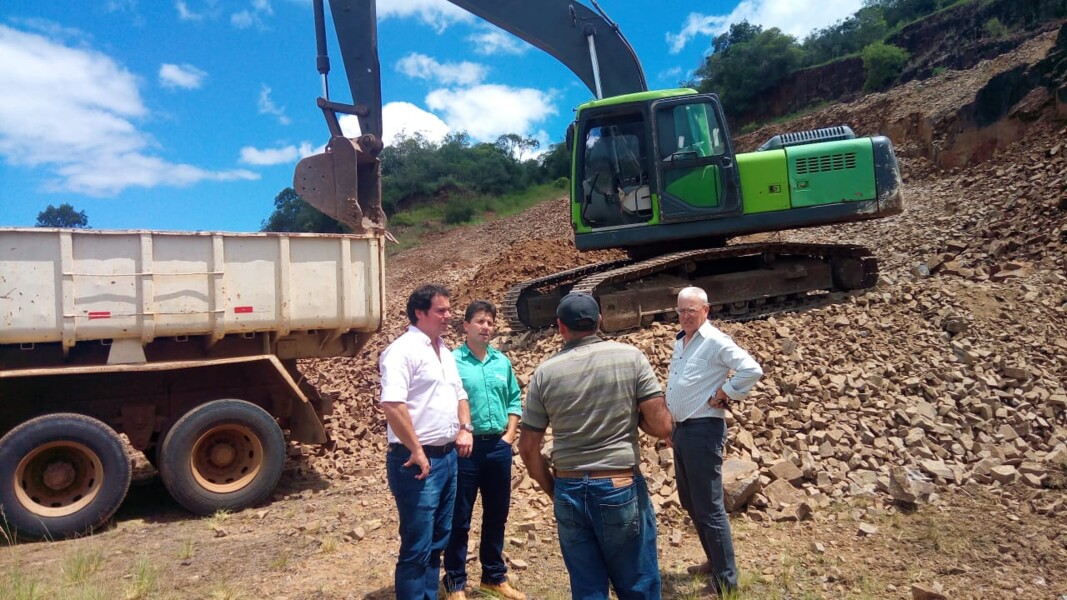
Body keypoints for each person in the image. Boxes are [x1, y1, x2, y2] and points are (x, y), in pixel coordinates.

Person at [518, 292, 673, 600]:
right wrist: (636, 417)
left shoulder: (545, 373)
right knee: (638, 583)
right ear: (600, 320)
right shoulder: (631, 358)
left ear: (560, 327)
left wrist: (553, 488)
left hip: (569, 487)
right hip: (619, 484)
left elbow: (527, 447)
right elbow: (662, 426)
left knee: (587, 588)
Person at [666, 286, 763, 596]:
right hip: (682, 430)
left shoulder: (716, 341)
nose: (685, 317)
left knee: (709, 507)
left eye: (691, 311)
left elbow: (751, 369)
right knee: (689, 500)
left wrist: (726, 393)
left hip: (704, 430)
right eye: (680, 311)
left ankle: (725, 581)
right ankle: (713, 560)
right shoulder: (681, 342)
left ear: (706, 311)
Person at [379, 284, 474, 599]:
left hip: (448, 459)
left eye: (449, 309)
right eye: (441, 310)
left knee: (437, 540)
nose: (449, 316)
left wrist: (465, 427)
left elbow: (460, 394)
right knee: (417, 545)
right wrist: (417, 450)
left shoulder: (444, 351)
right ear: (420, 312)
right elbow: (392, 404)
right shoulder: (402, 351)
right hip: (416, 462)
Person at [443, 300, 525, 600]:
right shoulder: (451, 361)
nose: (486, 327)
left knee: (497, 514)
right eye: (479, 321)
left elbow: (514, 399)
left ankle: (493, 577)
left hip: (498, 448)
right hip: (465, 450)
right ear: (465, 326)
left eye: (490, 322)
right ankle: (455, 583)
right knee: (459, 517)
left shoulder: (501, 362)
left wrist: (510, 434)